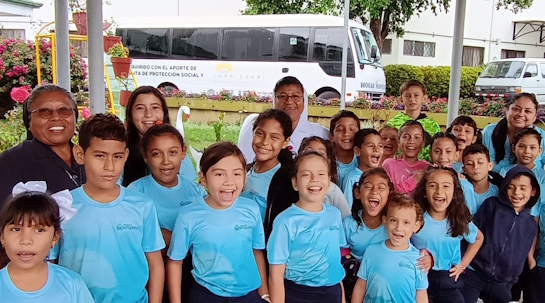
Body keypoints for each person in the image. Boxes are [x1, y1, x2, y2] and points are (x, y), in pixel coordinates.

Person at [49, 114, 166, 303]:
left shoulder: (142, 205)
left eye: (117, 156)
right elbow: (50, 263)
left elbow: (155, 264)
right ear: (80, 154)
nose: (109, 166)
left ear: (125, 156)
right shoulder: (61, 205)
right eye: (100, 156)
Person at [166, 142, 269, 303]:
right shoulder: (189, 216)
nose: (229, 182)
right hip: (206, 295)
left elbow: (257, 252)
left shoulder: (251, 209)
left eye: (236, 174)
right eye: (219, 174)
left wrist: (264, 293)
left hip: (249, 295)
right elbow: (175, 262)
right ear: (203, 179)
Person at [268, 151, 346, 303]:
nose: (314, 180)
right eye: (306, 174)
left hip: (332, 292)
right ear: (295, 183)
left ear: (329, 182)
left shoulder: (334, 215)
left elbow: (335, 261)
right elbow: (275, 274)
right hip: (300, 294)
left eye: (321, 174)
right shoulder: (285, 221)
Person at [0, 184, 94, 302]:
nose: (26, 241)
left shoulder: (72, 284)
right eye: (16, 229)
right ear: (2, 236)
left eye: (39, 230)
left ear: (55, 238)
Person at [461, 165, 539, 303]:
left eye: (523, 188)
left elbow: (521, 256)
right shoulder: (491, 206)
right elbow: (471, 235)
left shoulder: (530, 224)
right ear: (504, 188)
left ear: (533, 191)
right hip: (474, 272)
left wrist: (510, 281)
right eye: (511, 187)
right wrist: (464, 264)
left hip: (501, 282)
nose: (516, 193)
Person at [0, 85, 85, 206]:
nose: (56, 117)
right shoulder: (11, 162)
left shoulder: (91, 155)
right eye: (44, 112)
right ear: (29, 120)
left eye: (64, 110)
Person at [412, 167, 484, 303]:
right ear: (424, 192)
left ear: (454, 193)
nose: (439, 191)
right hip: (419, 279)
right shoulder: (415, 218)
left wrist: (463, 265)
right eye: (433, 186)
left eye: (446, 186)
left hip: (449, 280)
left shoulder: (458, 219)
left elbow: (479, 238)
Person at [128, 124, 207, 243]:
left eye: (173, 152)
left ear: (183, 152)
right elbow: (132, 236)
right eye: (156, 154)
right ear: (145, 156)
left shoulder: (196, 191)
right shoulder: (135, 192)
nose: (166, 161)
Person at [350, 192, 428, 303]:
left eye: (406, 222)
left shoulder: (419, 259)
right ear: (385, 221)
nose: (398, 228)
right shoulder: (371, 251)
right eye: (393, 220)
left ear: (416, 226)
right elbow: (361, 285)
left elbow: (421, 295)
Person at [238, 76, 329, 164]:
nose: (289, 101)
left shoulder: (320, 132)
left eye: (295, 96)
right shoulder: (256, 128)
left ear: (304, 101)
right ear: (274, 100)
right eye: (282, 96)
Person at [122, 86, 197, 187]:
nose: (148, 114)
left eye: (155, 107)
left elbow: (189, 187)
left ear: (164, 112)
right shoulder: (121, 150)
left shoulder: (176, 147)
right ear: (130, 114)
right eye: (140, 108)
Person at [342, 168, 393, 298]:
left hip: (384, 277)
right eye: (368, 187)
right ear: (358, 193)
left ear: (389, 194)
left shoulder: (393, 224)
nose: (374, 191)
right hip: (353, 278)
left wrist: (427, 256)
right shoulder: (349, 223)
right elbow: (342, 252)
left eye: (381, 188)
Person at [242, 109, 293, 220]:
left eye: (274, 137)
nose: (265, 142)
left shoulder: (286, 182)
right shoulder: (243, 171)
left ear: (285, 142)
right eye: (260, 134)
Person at [482, 93, 545, 173]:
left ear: (535, 116)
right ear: (507, 110)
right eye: (516, 109)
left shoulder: (542, 137)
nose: (521, 114)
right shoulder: (489, 132)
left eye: (527, 111)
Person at [386, 80, 440, 161]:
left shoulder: (433, 125)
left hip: (425, 169)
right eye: (407, 96)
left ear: (424, 98)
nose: (412, 99)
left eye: (416, 95)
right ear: (401, 99)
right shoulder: (392, 124)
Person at [299, 136, 350, 217]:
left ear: (328, 161)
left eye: (320, 154)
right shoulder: (295, 185)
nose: (314, 157)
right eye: (309, 152)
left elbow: (345, 218)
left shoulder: (333, 191)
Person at [383, 121, 429, 195]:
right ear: (398, 140)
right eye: (406, 137)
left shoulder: (427, 168)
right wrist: (413, 180)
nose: (411, 141)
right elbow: (388, 192)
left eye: (417, 137)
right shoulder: (389, 164)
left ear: (423, 142)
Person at [342, 129, 384, 207]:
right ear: (357, 151)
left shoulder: (383, 177)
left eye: (380, 146)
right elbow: (346, 209)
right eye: (371, 146)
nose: (376, 149)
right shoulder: (351, 179)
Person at [460, 144, 499, 215]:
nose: (475, 167)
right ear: (464, 169)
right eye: (470, 164)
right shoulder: (461, 190)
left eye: (480, 162)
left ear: (490, 166)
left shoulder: (497, 192)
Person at [329, 110, 360, 187]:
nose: (346, 133)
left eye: (352, 129)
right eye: (340, 129)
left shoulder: (363, 160)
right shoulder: (326, 161)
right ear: (331, 136)